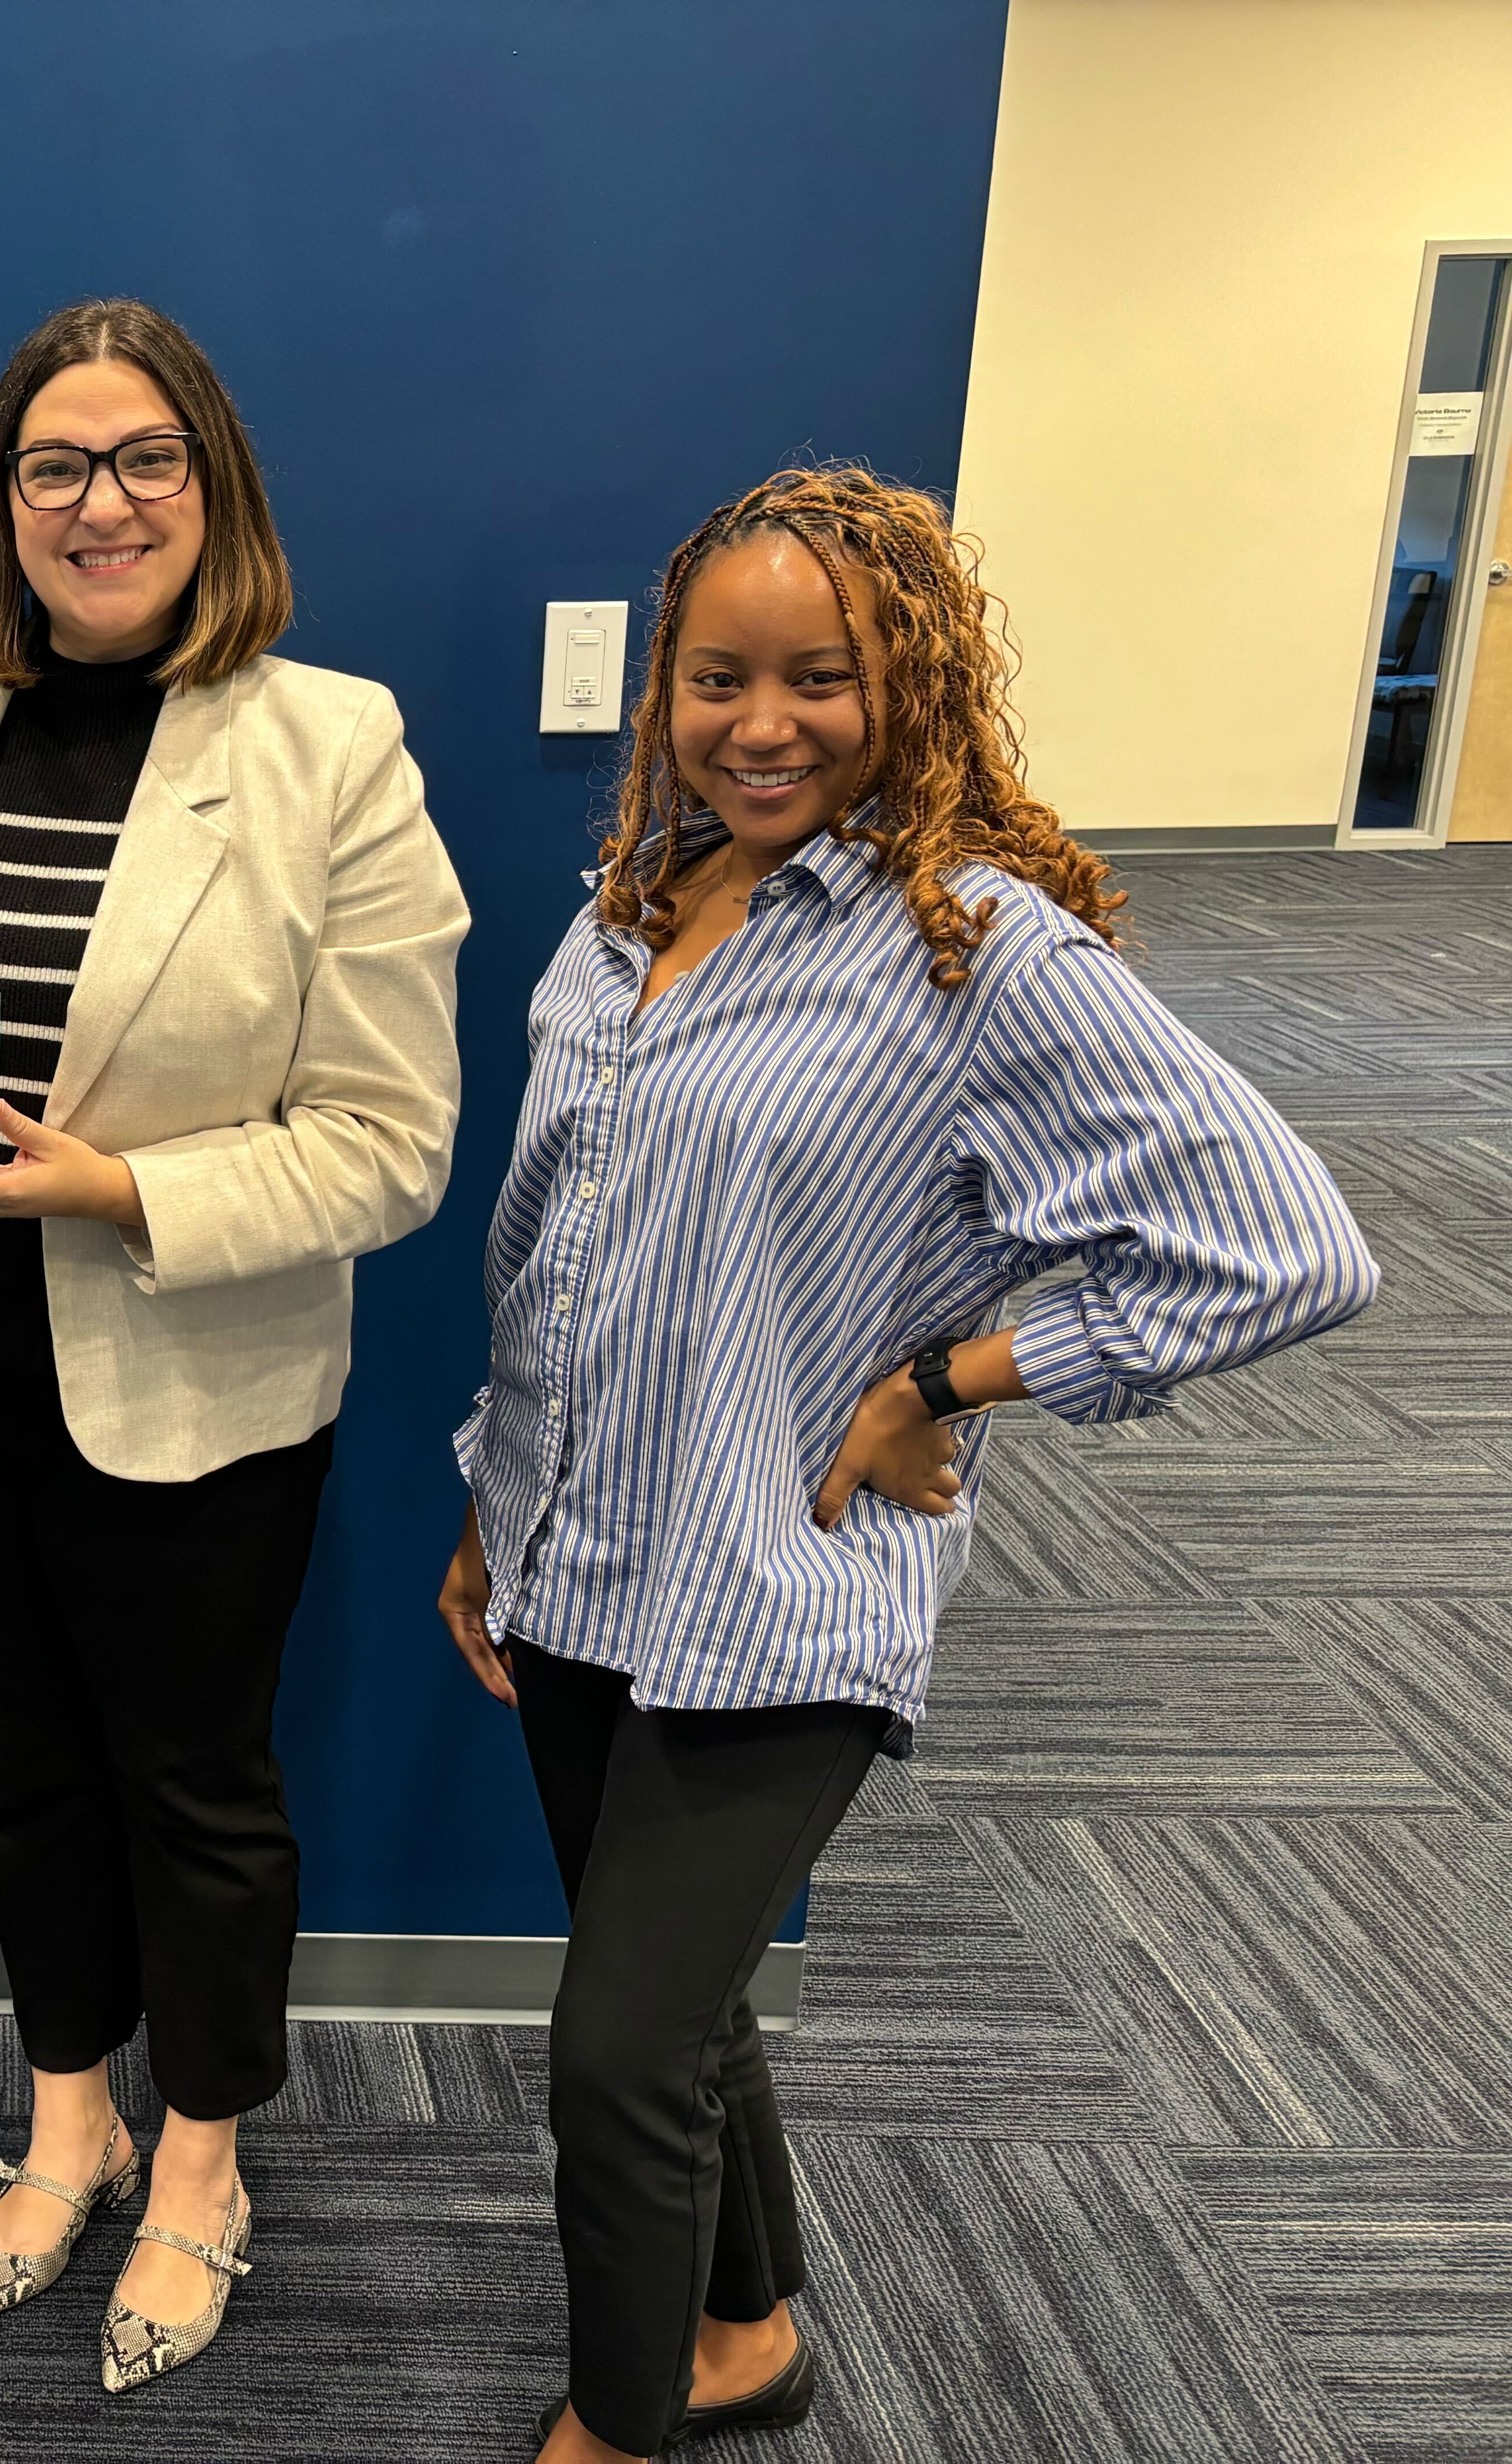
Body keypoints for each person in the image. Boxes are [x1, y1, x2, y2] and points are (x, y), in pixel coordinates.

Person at [437, 467, 1379, 2464]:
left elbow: (1286, 1243)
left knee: (612, 2057)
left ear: (913, 689)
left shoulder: (975, 949)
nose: (761, 722)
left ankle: (617, 2430)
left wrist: (953, 1374)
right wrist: (487, 1502)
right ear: (665, 696)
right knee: (685, 2012)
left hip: (784, 1585)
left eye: (821, 679)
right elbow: (558, 1254)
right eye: (717, 678)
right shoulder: (627, 914)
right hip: (581, 1558)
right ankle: (749, 2328)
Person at [0, 297, 469, 2392]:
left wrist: (112, 1191)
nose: (101, 501)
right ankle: (72, 2114)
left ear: (212, 488)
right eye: (56, 466)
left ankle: (204, 2161)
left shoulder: (334, 746)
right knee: (23, 1773)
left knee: (196, 1783)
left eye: (147, 459)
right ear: (3, 504)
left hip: (190, 1374)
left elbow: (389, 1144)